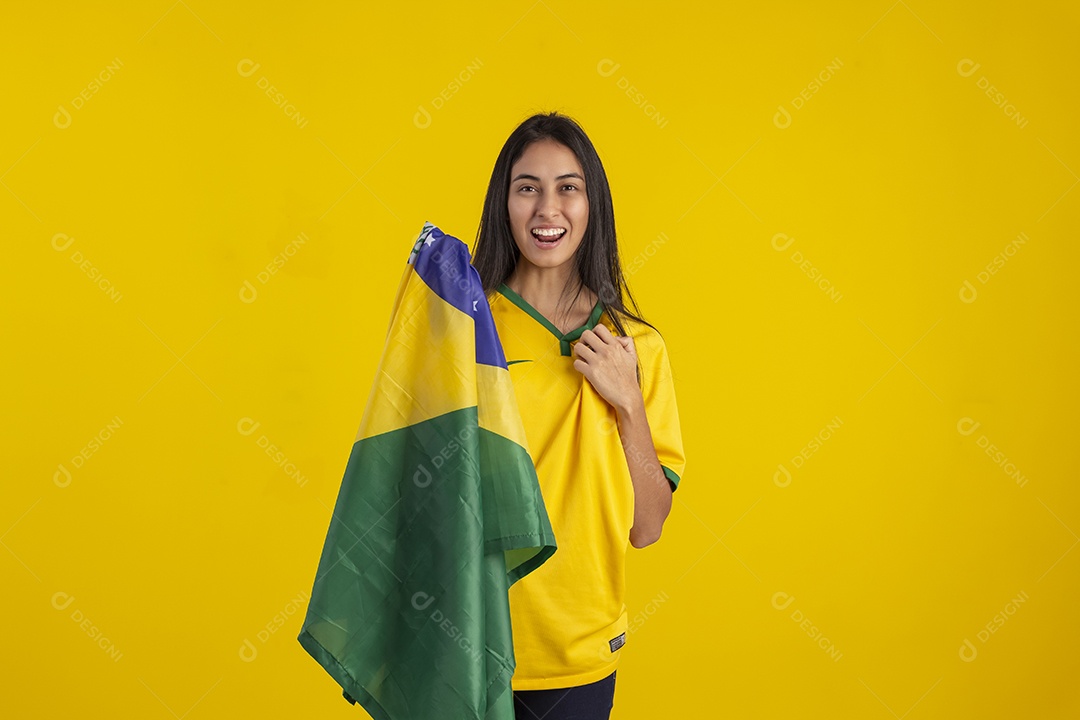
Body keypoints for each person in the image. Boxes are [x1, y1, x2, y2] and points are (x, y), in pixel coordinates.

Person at [471, 111, 687, 720]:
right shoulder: (465, 331)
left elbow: (648, 526)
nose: (548, 209)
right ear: (503, 203)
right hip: (468, 639)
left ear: (593, 205)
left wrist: (627, 404)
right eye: (527, 187)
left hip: (579, 654)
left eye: (568, 187)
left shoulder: (638, 349)